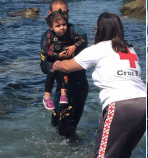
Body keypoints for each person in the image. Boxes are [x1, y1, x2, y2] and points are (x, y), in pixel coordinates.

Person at [53, 12, 146, 158]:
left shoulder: (98, 49)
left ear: (101, 30)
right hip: (143, 104)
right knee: (122, 154)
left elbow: (67, 66)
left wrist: (56, 64)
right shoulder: (130, 49)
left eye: (95, 28)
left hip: (120, 105)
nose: (95, 31)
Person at [40, 0, 89, 138]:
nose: (63, 16)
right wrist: (55, 62)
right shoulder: (47, 36)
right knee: (56, 127)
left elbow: (84, 41)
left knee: (69, 131)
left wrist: (73, 50)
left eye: (65, 13)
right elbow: (44, 66)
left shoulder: (75, 32)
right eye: (58, 12)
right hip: (59, 90)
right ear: (50, 14)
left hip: (78, 87)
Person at [41, 9, 86, 109]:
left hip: (63, 58)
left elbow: (83, 38)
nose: (62, 28)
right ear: (51, 27)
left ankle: (63, 94)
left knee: (63, 69)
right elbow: (44, 50)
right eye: (58, 26)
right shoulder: (49, 35)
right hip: (51, 58)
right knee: (52, 71)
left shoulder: (71, 30)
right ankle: (47, 97)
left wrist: (74, 46)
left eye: (64, 24)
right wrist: (57, 56)